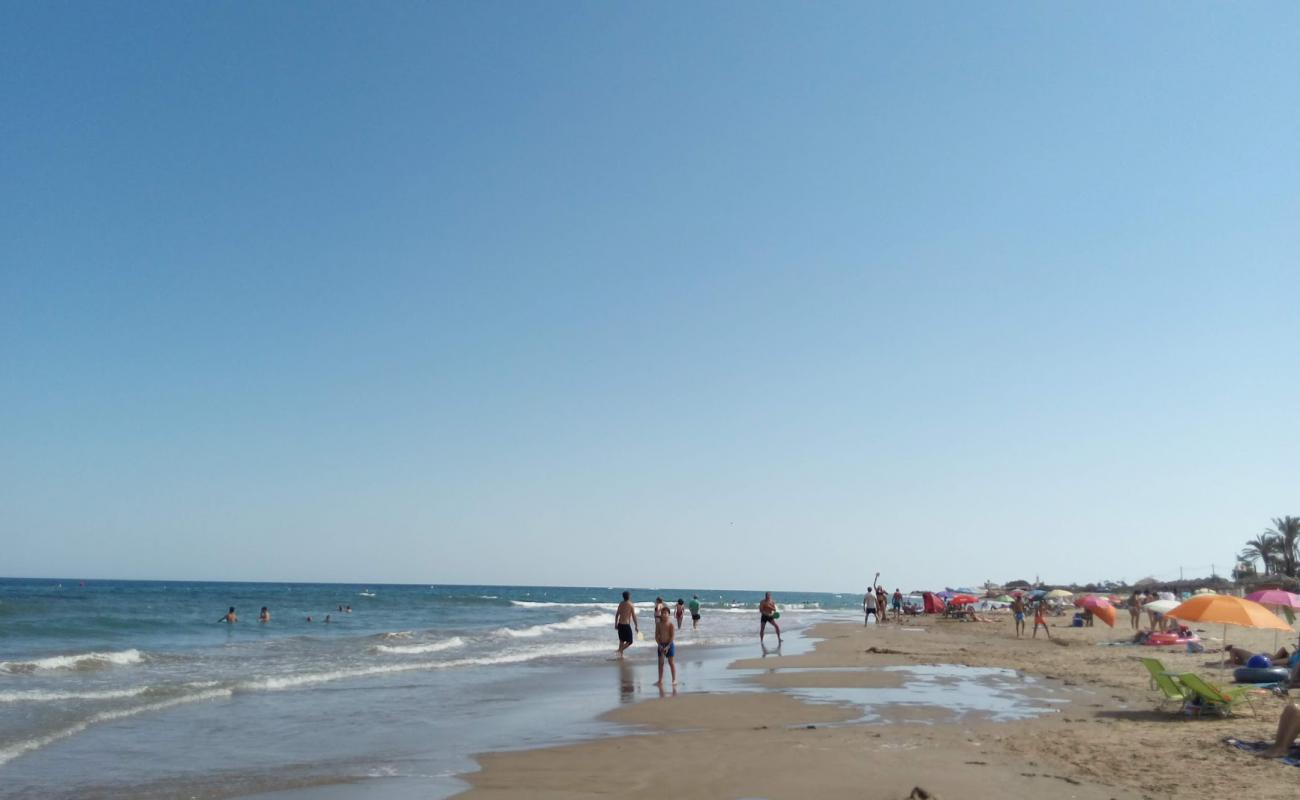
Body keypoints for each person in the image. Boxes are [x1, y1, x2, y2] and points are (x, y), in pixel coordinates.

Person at [655, 605, 677, 686]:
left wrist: (667, 646)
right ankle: (660, 680)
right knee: (660, 663)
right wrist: (660, 645)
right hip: (661, 645)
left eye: (665, 613)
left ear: (668, 614)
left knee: (671, 663)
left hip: (669, 645)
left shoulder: (671, 624)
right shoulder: (658, 624)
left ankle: (674, 679)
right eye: (662, 613)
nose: (664, 614)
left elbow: (672, 637)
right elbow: (656, 636)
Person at [615, 590, 639, 658]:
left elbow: (617, 615)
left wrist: (615, 624)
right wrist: (636, 626)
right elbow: (634, 616)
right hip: (626, 625)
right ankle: (620, 651)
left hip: (620, 624)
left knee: (621, 640)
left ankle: (620, 656)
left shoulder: (621, 603)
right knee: (630, 641)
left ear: (623, 597)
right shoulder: (630, 605)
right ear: (629, 596)